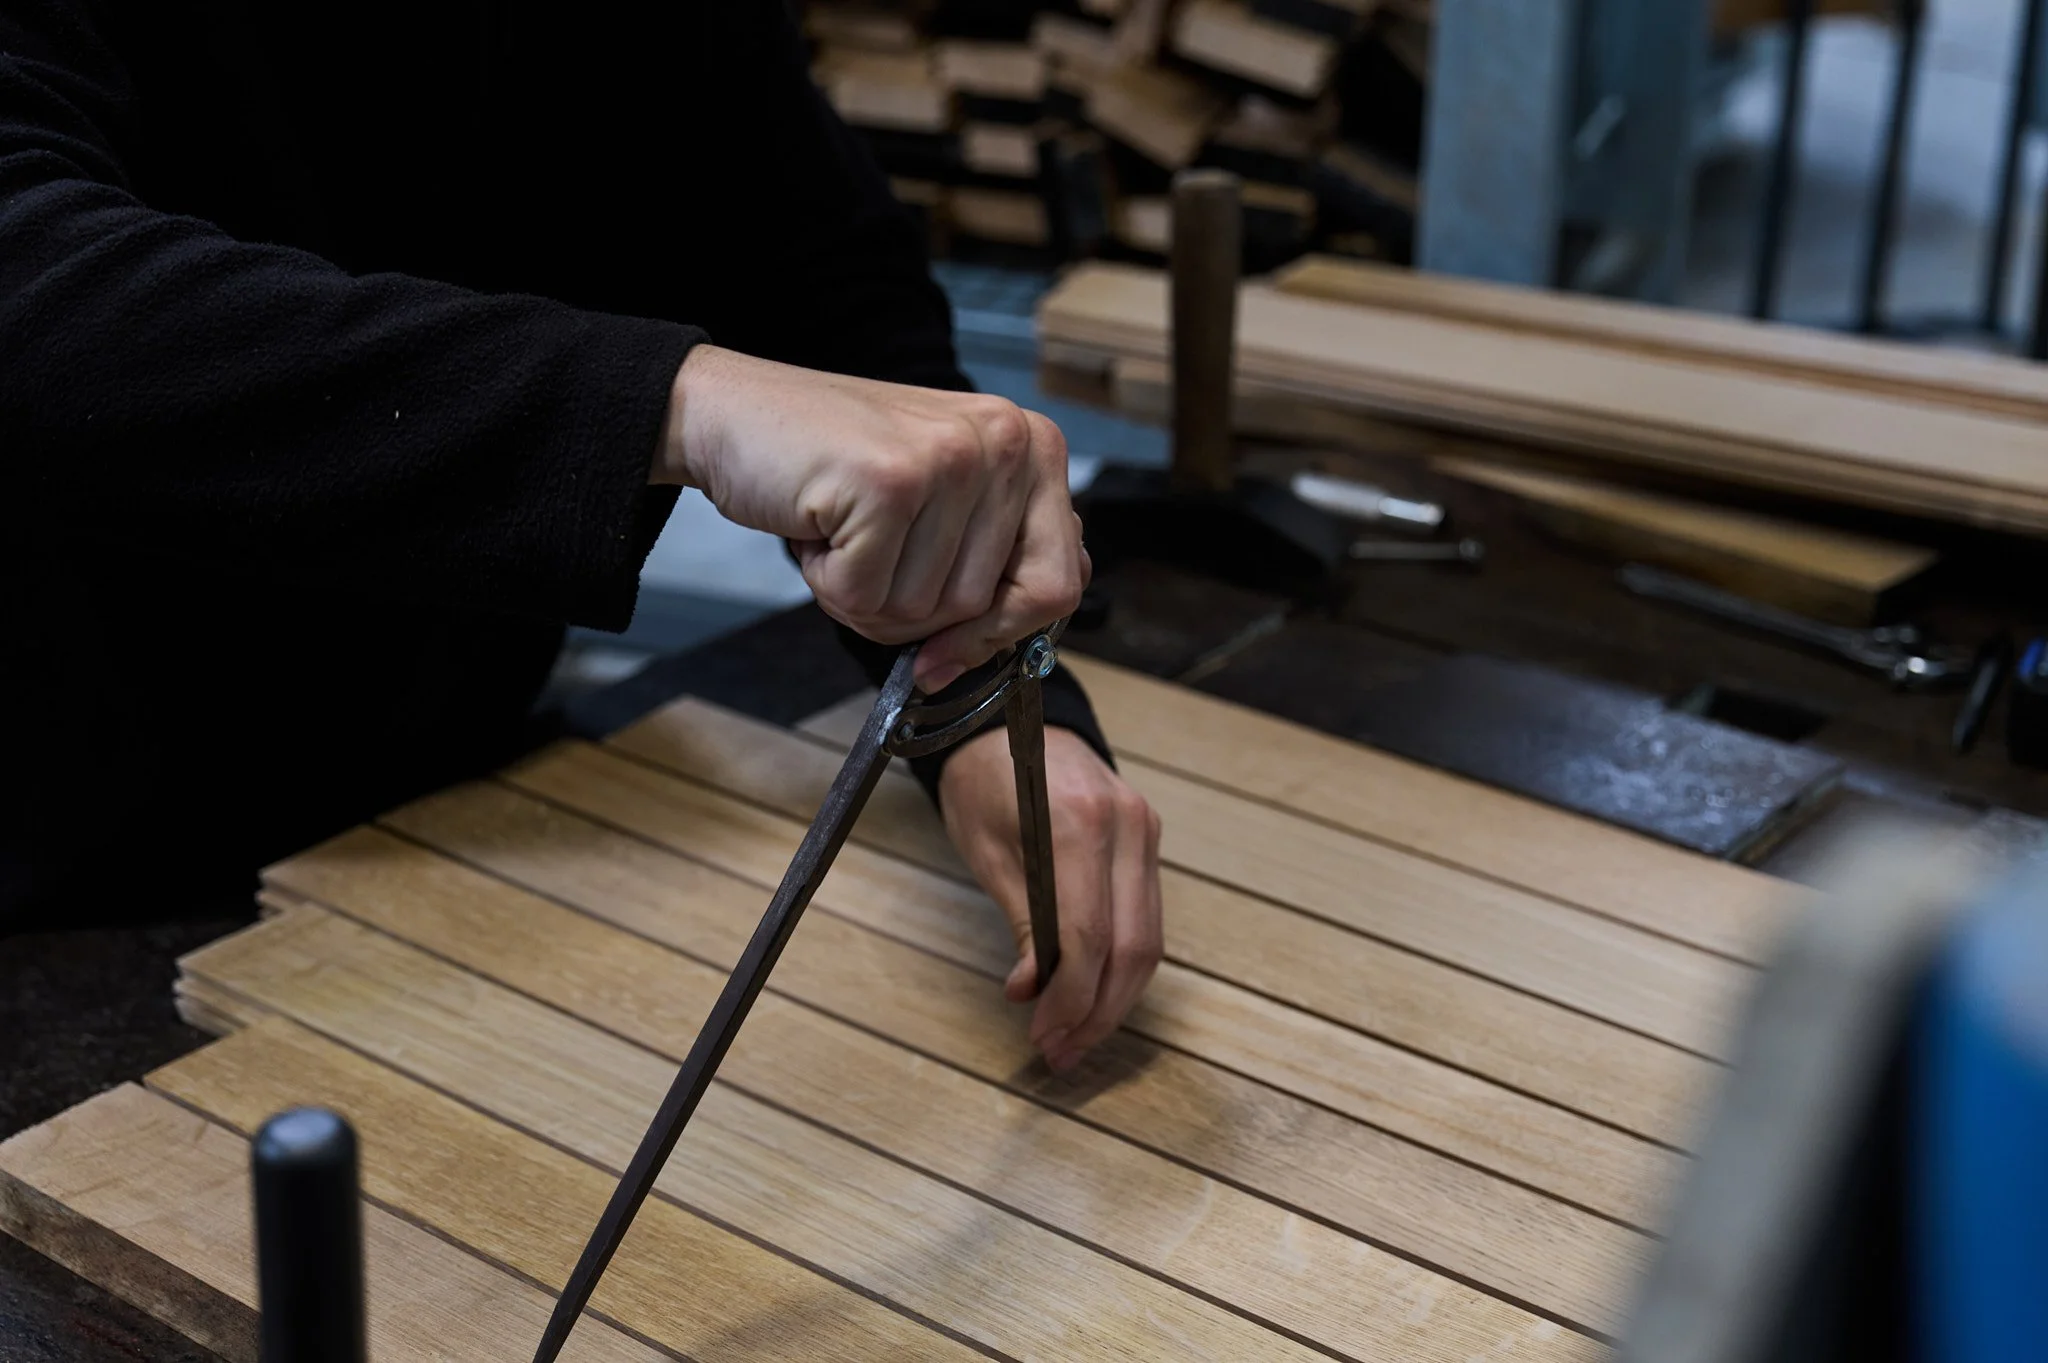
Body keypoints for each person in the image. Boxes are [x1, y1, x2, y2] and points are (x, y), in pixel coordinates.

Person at [0, 1, 1163, 1074]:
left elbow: (805, 258)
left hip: (458, 795)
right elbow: (27, 275)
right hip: (55, 866)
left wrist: (985, 702)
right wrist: (676, 404)